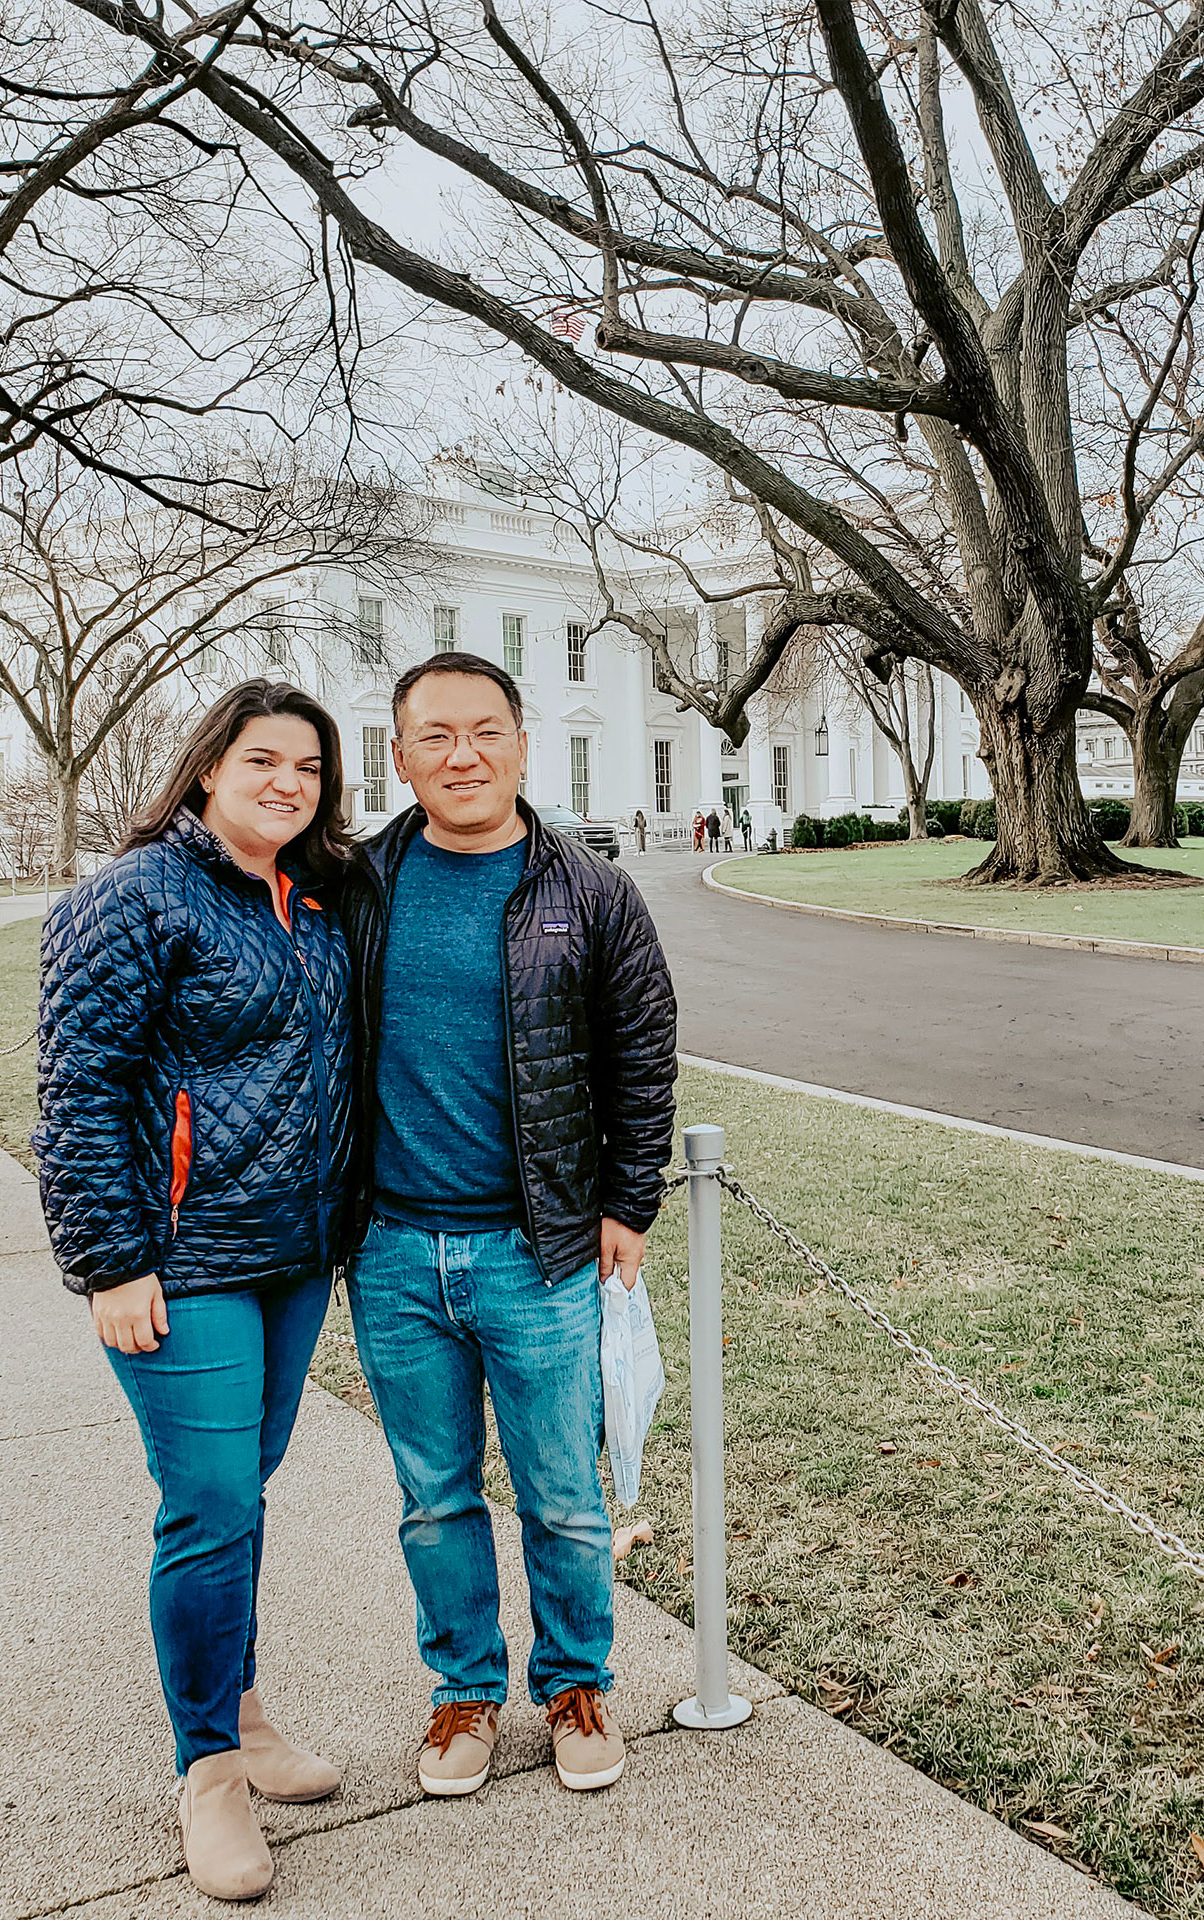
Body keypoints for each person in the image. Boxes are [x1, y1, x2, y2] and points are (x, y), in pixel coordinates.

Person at [36, 681, 360, 1901]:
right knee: (210, 1504)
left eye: (310, 770)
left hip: (293, 1257)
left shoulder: (315, 900)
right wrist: (110, 1261)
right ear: (210, 766)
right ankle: (210, 1773)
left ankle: (246, 1712)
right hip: (179, 1265)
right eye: (264, 760)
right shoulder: (134, 898)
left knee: (240, 1493)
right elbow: (76, 1094)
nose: (288, 783)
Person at [340, 651, 677, 1801]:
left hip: (536, 1251)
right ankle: (465, 1695)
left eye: (485, 731)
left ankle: (576, 1684)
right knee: (434, 1497)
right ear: (399, 758)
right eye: (434, 736)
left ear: (523, 744)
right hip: (389, 1252)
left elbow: (642, 1050)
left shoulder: (588, 891)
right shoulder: (358, 885)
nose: (462, 754)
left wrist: (630, 1200)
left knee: (562, 1495)